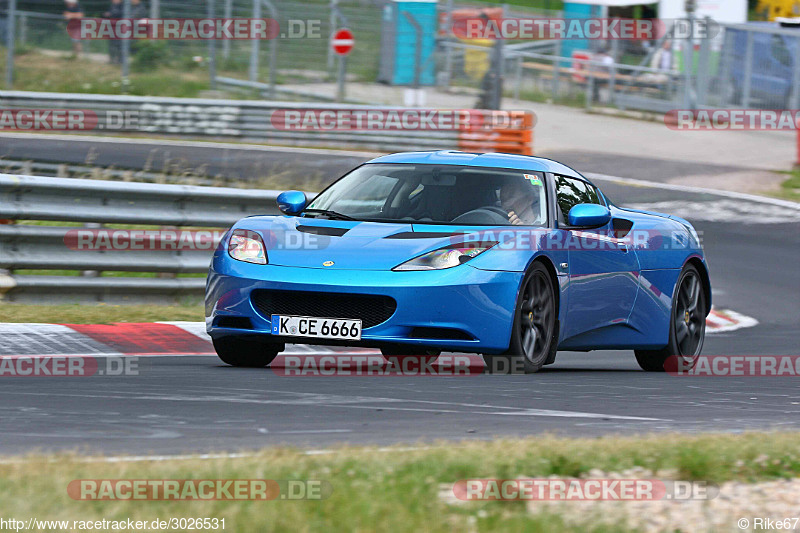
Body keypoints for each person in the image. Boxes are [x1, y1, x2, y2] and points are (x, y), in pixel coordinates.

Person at [104, 0, 123, 64]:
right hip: (112, 28)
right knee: (111, 44)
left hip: (120, 28)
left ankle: (120, 60)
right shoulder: (112, 6)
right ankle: (112, 59)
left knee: (119, 45)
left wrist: (111, 14)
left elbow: (120, 14)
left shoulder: (122, 6)